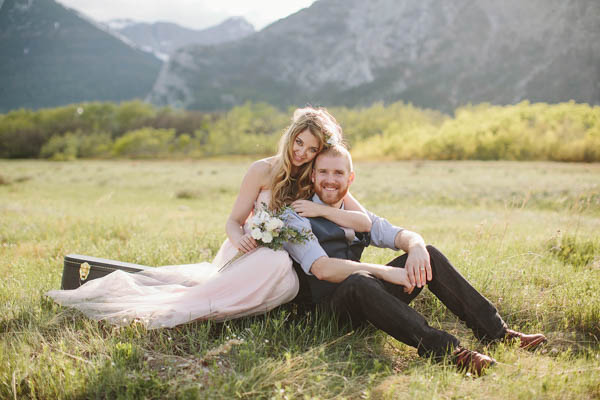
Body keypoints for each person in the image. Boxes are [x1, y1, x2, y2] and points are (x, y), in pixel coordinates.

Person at [46, 107, 372, 329]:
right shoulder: (261, 170)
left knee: (279, 263)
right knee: (273, 263)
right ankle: (197, 310)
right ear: (290, 137)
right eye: (299, 143)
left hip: (283, 258)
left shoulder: (316, 175)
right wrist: (240, 238)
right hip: (246, 249)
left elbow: (364, 221)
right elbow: (232, 221)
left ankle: (249, 309)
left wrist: (321, 209)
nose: (302, 153)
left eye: (311, 149)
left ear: (319, 153)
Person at [283, 145, 547, 376]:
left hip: (370, 301)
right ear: (314, 175)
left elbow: (399, 234)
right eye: (324, 172)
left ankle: (499, 335)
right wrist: (385, 273)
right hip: (326, 314)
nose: (331, 180)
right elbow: (322, 268)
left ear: (350, 178)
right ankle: (449, 352)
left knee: (427, 254)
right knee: (359, 282)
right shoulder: (297, 215)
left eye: (338, 173)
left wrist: (417, 246)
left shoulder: (356, 215)